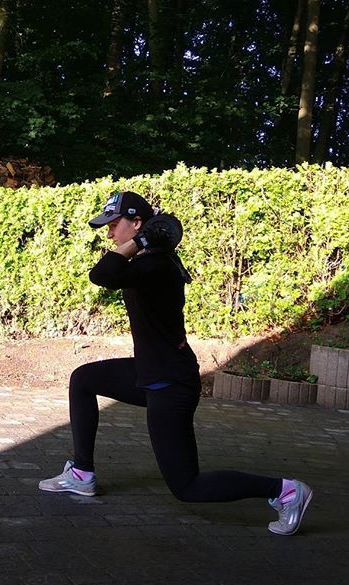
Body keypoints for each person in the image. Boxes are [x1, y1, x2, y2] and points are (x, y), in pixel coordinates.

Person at [39, 191, 313, 535]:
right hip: (151, 372)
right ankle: (81, 474)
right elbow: (110, 271)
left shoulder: (154, 265)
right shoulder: (149, 260)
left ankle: (286, 491)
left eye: (114, 225)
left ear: (137, 223)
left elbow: (102, 274)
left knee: (187, 487)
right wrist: (142, 241)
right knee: (84, 379)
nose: (109, 233)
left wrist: (138, 241)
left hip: (170, 384)